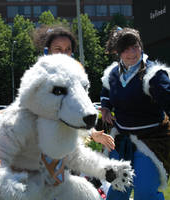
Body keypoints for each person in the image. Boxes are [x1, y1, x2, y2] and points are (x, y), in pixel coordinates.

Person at [101, 27, 170, 200]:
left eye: (135, 46)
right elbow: (106, 92)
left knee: (145, 193)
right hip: (122, 140)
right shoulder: (112, 73)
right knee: (117, 191)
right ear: (118, 51)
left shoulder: (154, 74)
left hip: (151, 141)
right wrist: (105, 107)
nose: (132, 52)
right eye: (125, 48)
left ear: (141, 46)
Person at [32, 25, 115, 151]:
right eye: (58, 49)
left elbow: (82, 110)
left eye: (67, 49)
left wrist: (92, 133)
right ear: (47, 51)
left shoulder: (77, 75)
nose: (63, 54)